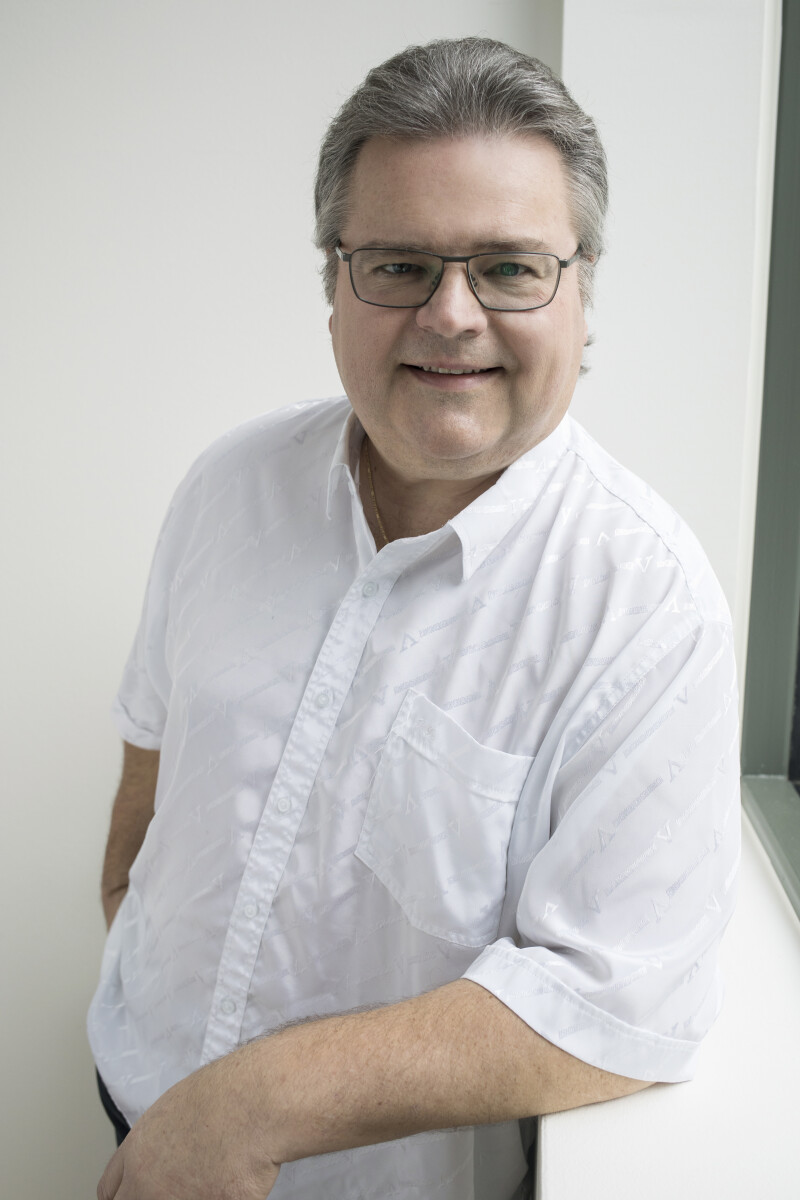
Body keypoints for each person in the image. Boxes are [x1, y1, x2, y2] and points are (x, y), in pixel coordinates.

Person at [90, 36, 740, 1200]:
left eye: (508, 267)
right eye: (396, 264)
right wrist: (135, 969)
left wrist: (246, 1106)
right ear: (332, 282)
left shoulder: (647, 606)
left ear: (581, 290)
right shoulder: (228, 486)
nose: (450, 315)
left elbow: (616, 1000)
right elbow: (152, 758)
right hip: (135, 1107)